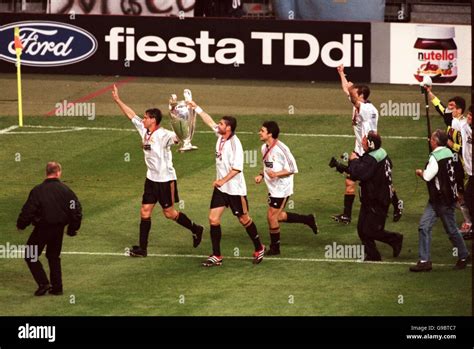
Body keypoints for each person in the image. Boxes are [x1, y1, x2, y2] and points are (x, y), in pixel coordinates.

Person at [112, 85, 203, 257]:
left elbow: (178, 137)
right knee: (145, 211)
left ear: (153, 120)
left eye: (146, 118)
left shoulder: (164, 135)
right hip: (151, 180)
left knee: (169, 213)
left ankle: (195, 228)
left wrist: (184, 133)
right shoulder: (144, 130)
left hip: (166, 180)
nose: (143, 119)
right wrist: (117, 100)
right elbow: (131, 115)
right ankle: (142, 249)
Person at [187, 100, 265, 266]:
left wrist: (221, 180)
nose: (218, 125)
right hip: (222, 190)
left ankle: (259, 247)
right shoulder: (221, 135)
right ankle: (217, 255)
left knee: (244, 219)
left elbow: (237, 168)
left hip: (235, 190)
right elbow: (209, 121)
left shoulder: (235, 144)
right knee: (213, 219)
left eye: (221, 124)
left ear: (228, 128)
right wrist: (196, 107)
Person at [333, 65, 403, 224]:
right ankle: (346, 216)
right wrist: (341, 73)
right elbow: (347, 91)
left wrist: (351, 89)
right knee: (349, 181)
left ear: (361, 95)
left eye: (355, 92)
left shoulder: (368, 110)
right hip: (359, 150)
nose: (351, 94)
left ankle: (396, 203)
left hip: (371, 153)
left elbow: (351, 95)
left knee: (381, 183)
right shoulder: (358, 104)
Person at [16, 162, 82, 296]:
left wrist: (21, 224)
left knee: (30, 254)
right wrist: (72, 228)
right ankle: (57, 287)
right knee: (53, 256)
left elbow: (29, 210)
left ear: (46, 172)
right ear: (58, 172)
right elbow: (76, 210)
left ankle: (43, 283)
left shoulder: (38, 191)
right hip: (58, 229)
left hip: (42, 229)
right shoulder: (66, 191)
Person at [410, 130, 470, 272]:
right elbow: (457, 174)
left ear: (435, 142)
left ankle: (464, 255)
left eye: (431, 139)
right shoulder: (450, 154)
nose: (429, 141)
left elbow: (427, 176)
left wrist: (420, 172)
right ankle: (424, 261)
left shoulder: (435, 157)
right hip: (443, 199)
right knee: (424, 226)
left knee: (451, 230)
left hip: (440, 200)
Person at [255, 121, 318, 255]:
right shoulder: (264, 148)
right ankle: (307, 219)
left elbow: (293, 169)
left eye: (262, 130)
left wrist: (276, 174)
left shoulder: (282, 149)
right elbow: (267, 165)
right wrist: (261, 174)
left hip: (282, 188)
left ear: (270, 134)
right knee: (278, 217)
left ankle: (275, 248)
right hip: (272, 187)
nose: (259, 132)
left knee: (271, 216)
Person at [342, 132, 403, 261]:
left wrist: (353, 161)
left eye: (364, 140)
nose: (362, 141)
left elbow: (360, 174)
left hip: (378, 199)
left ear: (370, 144)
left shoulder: (371, 159)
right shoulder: (381, 153)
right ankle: (373, 255)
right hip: (371, 198)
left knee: (370, 230)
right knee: (361, 229)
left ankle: (395, 239)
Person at [425, 87, 471, 234]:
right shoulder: (454, 121)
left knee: (461, 194)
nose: (448, 108)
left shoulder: (463, 125)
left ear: (459, 110)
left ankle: (468, 221)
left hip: (462, 165)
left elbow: (464, 147)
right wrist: (429, 92)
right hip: (452, 162)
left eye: (451, 107)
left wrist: (450, 144)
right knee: (455, 192)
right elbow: (440, 107)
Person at [460, 105, 472, 240]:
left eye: (471, 115)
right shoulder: (464, 126)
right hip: (470, 172)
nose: (468, 117)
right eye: (468, 114)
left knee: (468, 198)